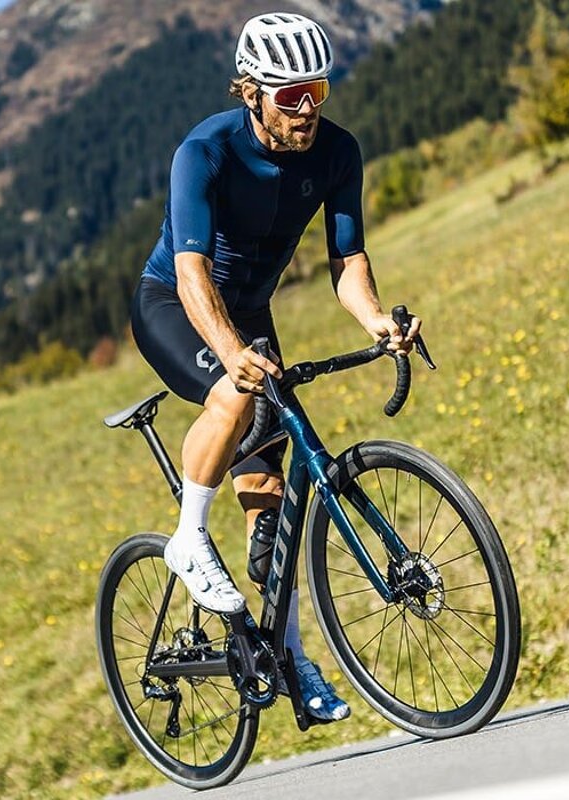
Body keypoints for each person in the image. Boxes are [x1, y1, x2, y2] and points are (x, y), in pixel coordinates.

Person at [129, 12, 421, 723]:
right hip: (176, 305)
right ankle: (187, 541)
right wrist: (231, 353)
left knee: (271, 512)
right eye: (291, 95)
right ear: (252, 91)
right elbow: (194, 273)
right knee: (236, 393)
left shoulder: (336, 153)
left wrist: (378, 319)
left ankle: (286, 657)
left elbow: (347, 262)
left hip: (252, 316)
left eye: (318, 88)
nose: (309, 108)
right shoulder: (205, 151)